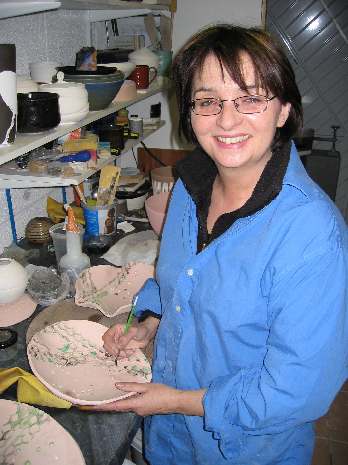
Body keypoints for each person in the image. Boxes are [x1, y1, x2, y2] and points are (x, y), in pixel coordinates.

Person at [95, 24, 348, 465]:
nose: (226, 120)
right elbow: (171, 283)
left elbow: (297, 390)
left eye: (250, 98)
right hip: (169, 441)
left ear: (284, 109)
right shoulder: (189, 188)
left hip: (246, 449)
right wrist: (147, 324)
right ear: (190, 113)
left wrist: (175, 401)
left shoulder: (312, 235)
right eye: (208, 101)